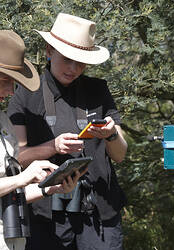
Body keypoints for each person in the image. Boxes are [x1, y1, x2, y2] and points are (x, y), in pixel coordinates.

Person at [8, 13, 128, 250]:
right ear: (49, 51)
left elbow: (120, 154)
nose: (73, 69)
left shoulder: (98, 90)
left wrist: (111, 135)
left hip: (99, 215)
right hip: (45, 219)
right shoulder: (25, 93)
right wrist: (52, 147)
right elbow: (17, 159)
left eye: (81, 62)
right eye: (67, 59)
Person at [0, 30, 84, 250]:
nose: (9, 91)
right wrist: (25, 176)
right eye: (4, 81)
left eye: (13, 83)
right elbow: (17, 182)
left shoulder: (3, 123)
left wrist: (49, 188)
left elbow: (11, 193)